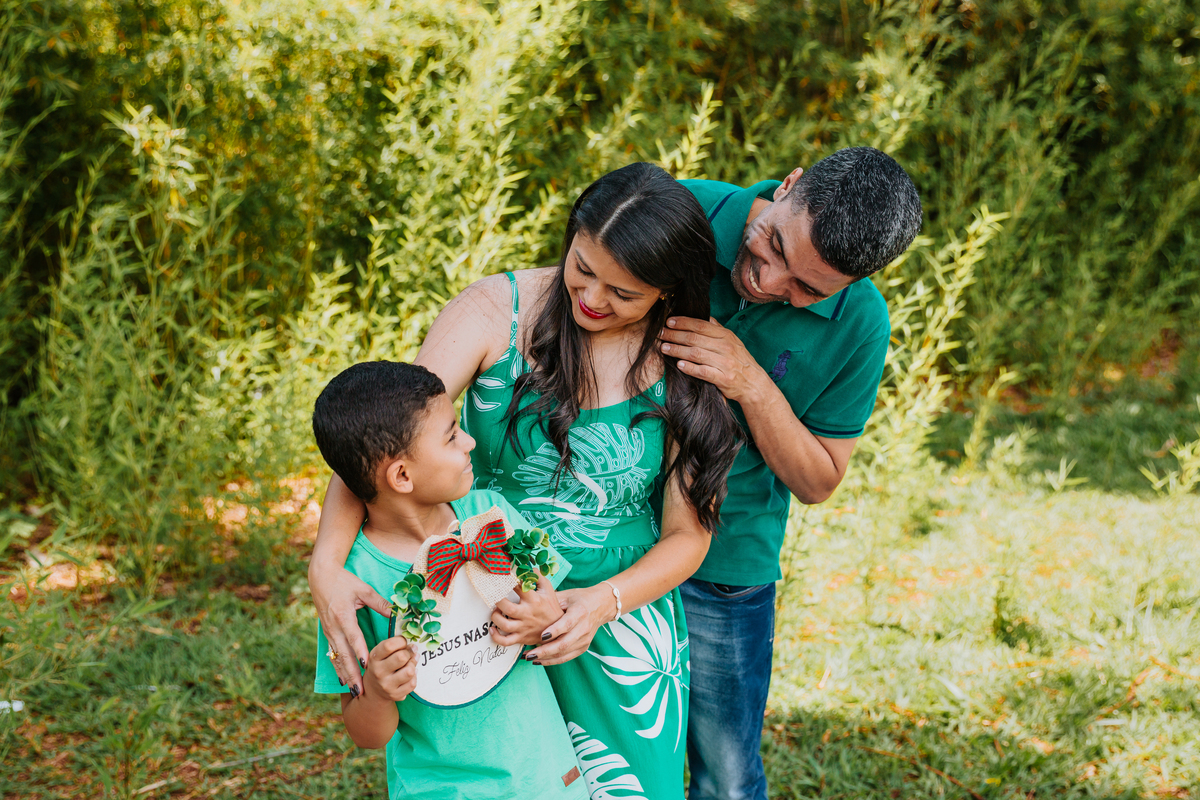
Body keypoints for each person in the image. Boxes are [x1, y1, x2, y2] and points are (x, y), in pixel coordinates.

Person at [310, 162, 744, 797]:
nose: (592, 298)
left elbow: (689, 534)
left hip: (618, 623)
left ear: (666, 291)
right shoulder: (494, 313)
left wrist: (597, 604)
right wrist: (325, 564)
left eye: (623, 293)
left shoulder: (687, 358)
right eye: (583, 267)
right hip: (475, 605)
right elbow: (383, 440)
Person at [657, 146, 923, 800]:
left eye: (807, 290)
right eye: (774, 244)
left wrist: (750, 382)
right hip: (600, 540)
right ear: (790, 185)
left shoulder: (863, 324)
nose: (769, 282)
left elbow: (819, 480)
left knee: (725, 779)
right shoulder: (678, 211)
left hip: (726, 566)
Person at [310, 360, 587, 800]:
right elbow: (366, 734)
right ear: (402, 476)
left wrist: (545, 622)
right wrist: (378, 693)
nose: (470, 441)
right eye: (452, 435)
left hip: (545, 781)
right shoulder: (354, 584)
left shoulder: (492, 518)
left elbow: (554, 614)